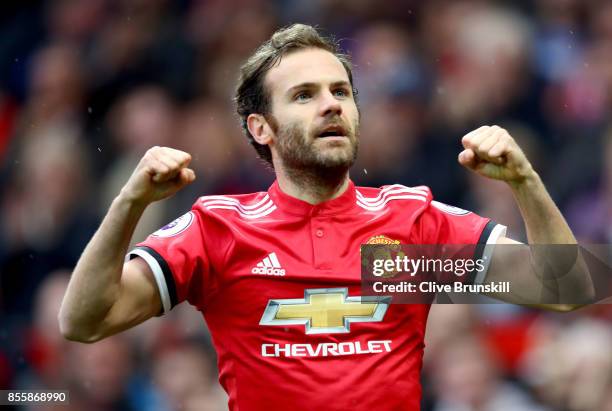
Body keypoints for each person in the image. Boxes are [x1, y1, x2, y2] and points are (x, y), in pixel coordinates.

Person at [59, 24, 593, 410]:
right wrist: (129, 204)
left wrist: (525, 182)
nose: (332, 105)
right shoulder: (217, 230)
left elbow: (566, 288)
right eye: (304, 95)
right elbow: (83, 321)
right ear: (261, 128)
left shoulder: (413, 224)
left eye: (341, 92)